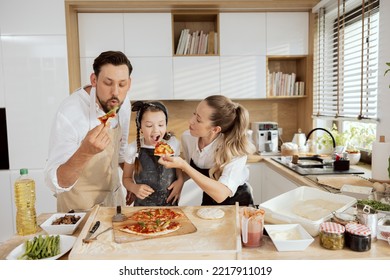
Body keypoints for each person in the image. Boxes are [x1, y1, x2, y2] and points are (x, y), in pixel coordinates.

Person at [44, 50, 133, 212]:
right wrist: (85, 152)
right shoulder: (70, 112)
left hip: (113, 206)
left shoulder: (123, 102)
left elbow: (120, 153)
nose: (115, 92)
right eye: (108, 83)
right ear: (94, 80)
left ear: (129, 83)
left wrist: (132, 180)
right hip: (77, 211)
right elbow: (56, 181)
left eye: (122, 84)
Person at [158, 95, 256, 206]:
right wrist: (180, 179)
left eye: (198, 120)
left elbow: (221, 194)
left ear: (215, 129)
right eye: (194, 114)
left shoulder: (235, 151)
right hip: (209, 198)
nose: (191, 121)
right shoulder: (188, 138)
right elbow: (194, 168)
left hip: (237, 205)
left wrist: (183, 166)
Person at [122, 101, 184, 206]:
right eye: (149, 125)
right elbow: (126, 178)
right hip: (142, 206)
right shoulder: (133, 149)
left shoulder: (173, 144)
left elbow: (179, 173)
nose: (156, 130)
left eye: (161, 125)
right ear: (140, 127)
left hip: (170, 206)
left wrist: (180, 182)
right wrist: (134, 188)